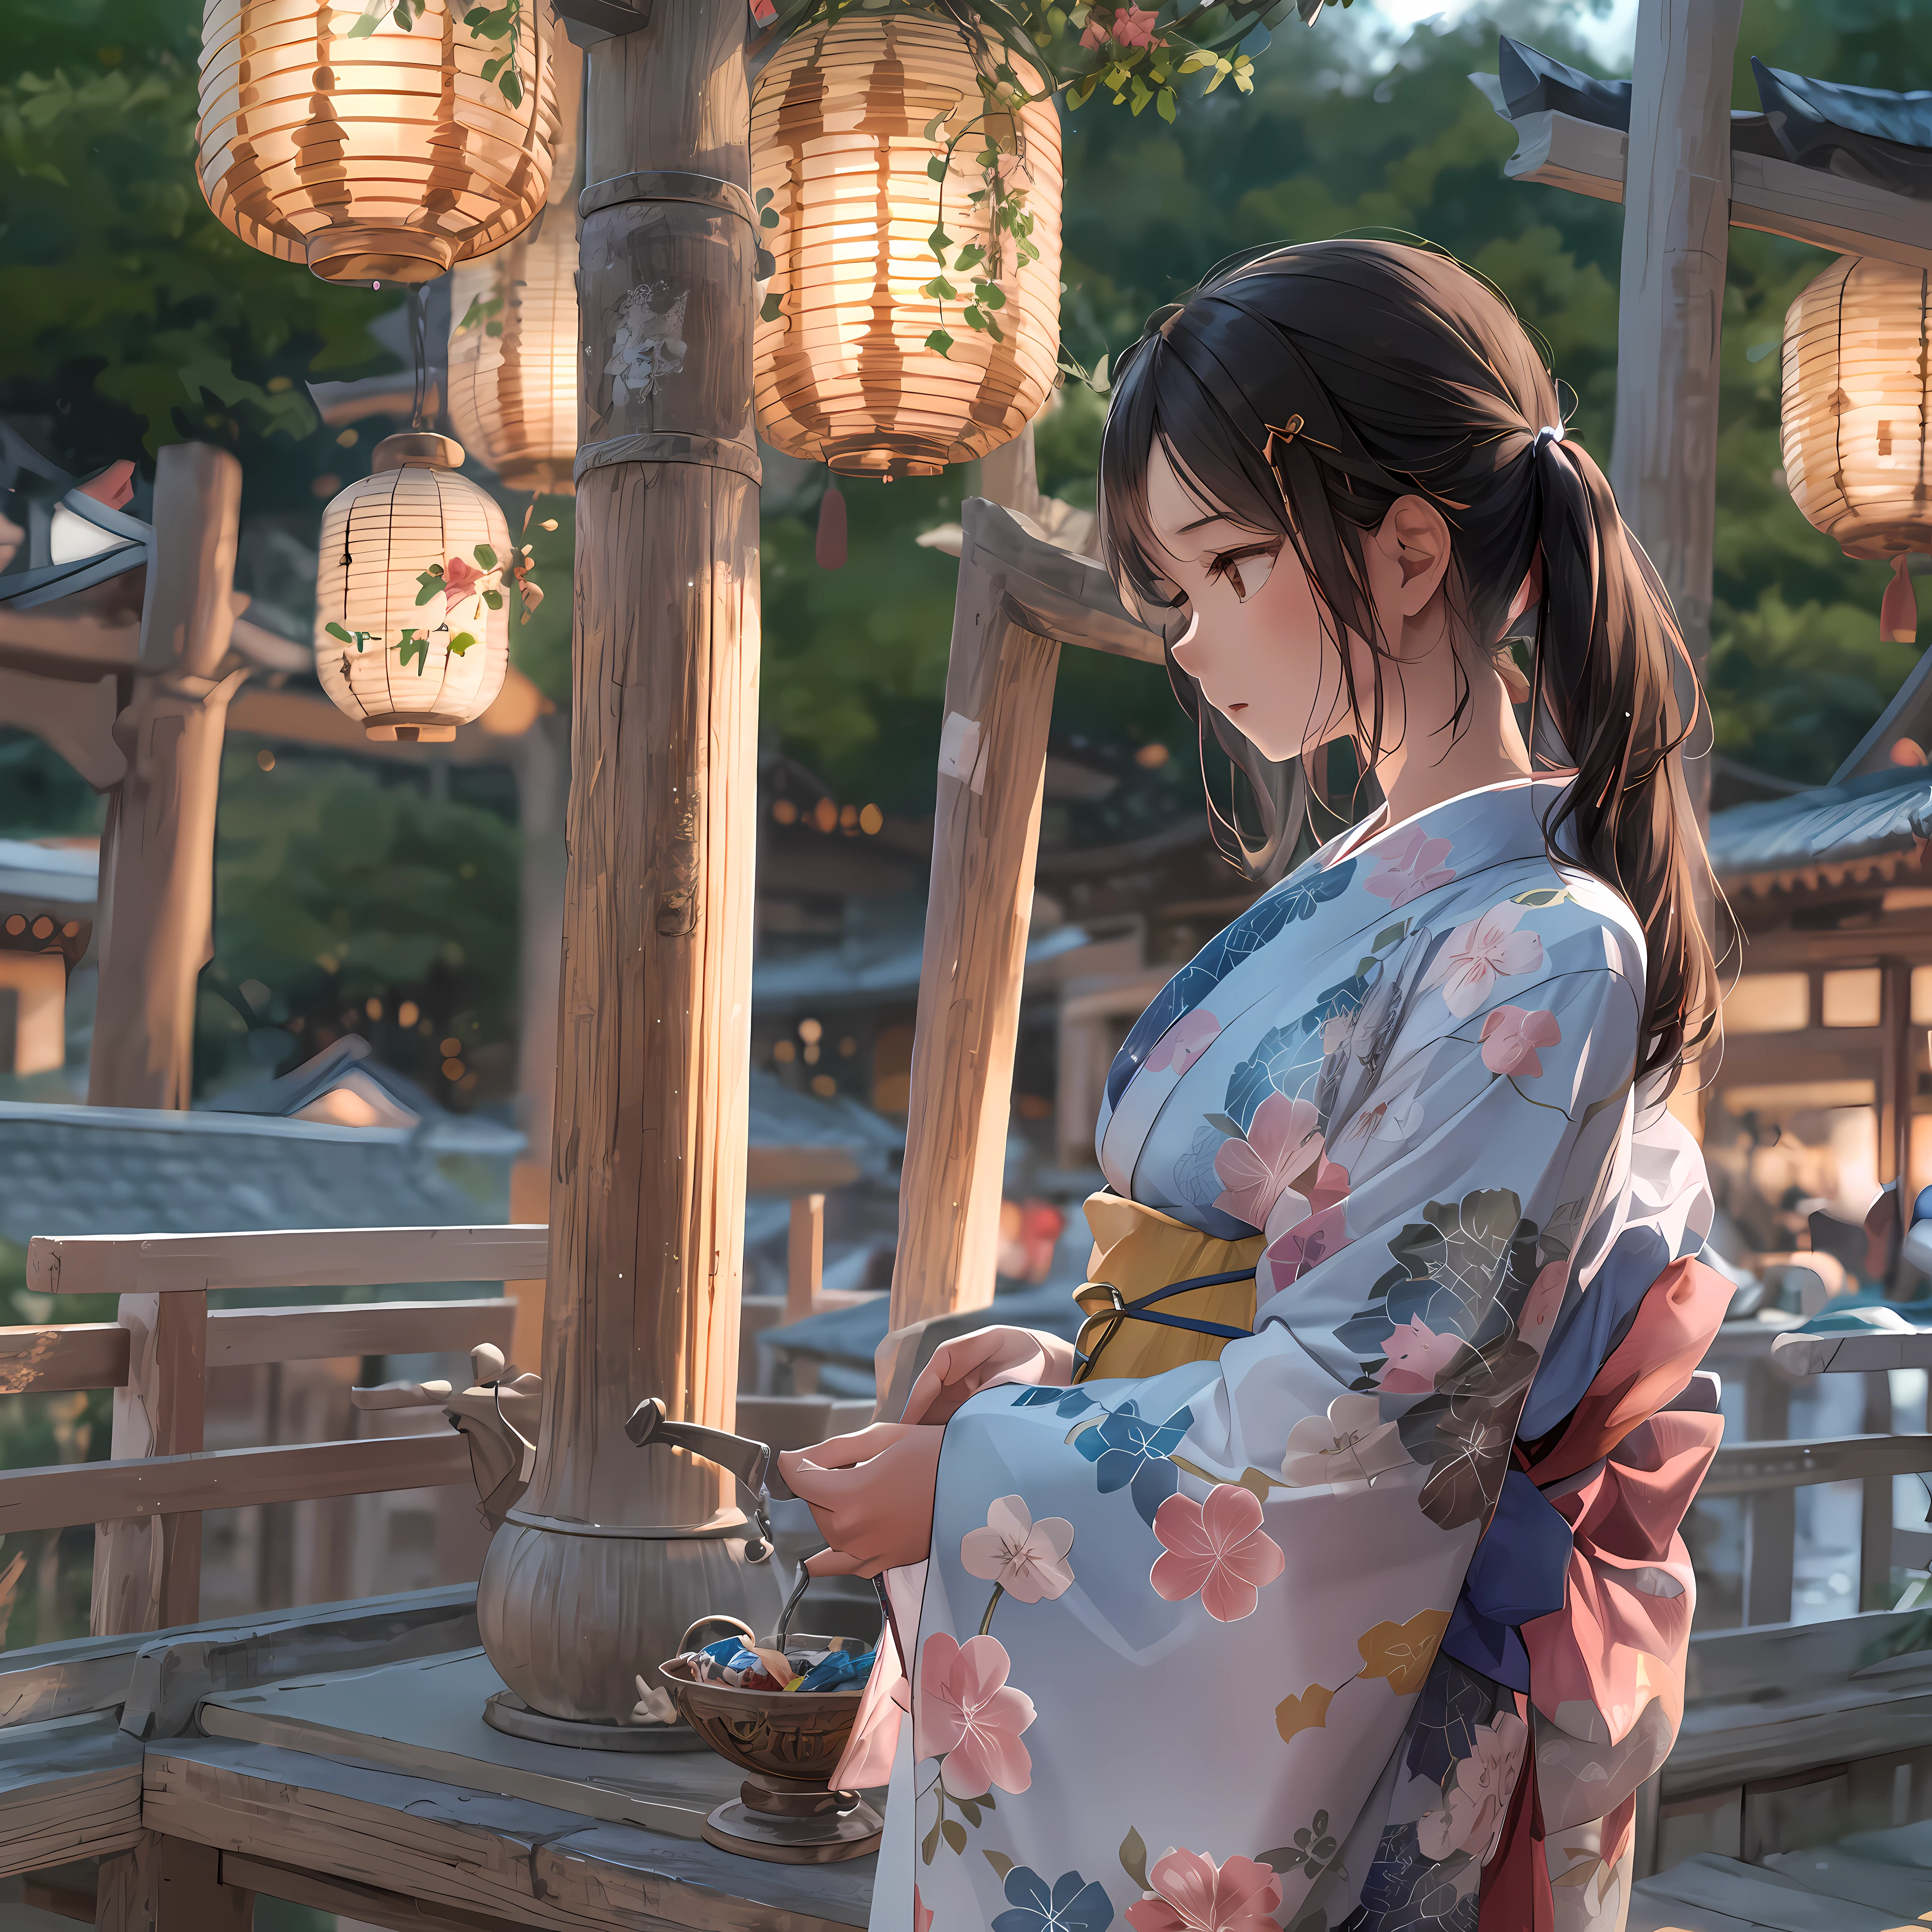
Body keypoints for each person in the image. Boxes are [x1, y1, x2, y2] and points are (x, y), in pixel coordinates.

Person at [779, 240, 1732, 1932]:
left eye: (1227, 567)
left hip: (1374, 1686)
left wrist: (995, 1481)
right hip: (1290, 1562)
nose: (1196, 639)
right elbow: (1313, 1312)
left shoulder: (1545, 943)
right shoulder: (1408, 891)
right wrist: (1072, 1369)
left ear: (1413, 549)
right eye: (1174, 587)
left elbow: (1374, 1409)